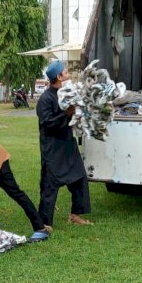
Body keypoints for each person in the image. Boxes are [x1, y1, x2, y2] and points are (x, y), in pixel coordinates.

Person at [36, 60, 92, 234]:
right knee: (49, 186)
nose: (68, 75)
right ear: (59, 77)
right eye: (66, 73)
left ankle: (76, 215)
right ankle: (44, 222)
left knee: (79, 178)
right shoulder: (45, 99)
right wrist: (66, 113)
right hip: (53, 148)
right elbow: (47, 124)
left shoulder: (65, 94)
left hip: (68, 144)